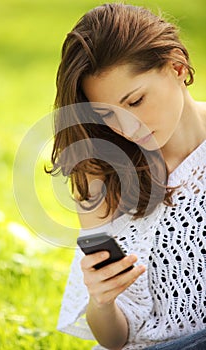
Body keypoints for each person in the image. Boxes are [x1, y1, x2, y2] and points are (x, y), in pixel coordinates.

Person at [48, 3, 206, 349]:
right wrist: (102, 301)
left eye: (135, 102)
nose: (126, 128)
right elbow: (115, 340)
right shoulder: (101, 175)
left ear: (177, 66)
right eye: (108, 114)